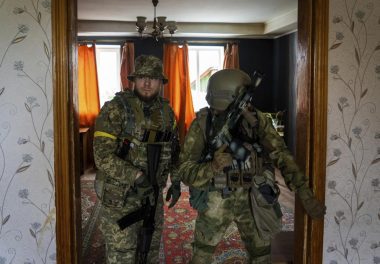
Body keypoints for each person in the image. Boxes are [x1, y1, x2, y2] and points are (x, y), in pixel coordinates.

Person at [178, 69, 326, 264]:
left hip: (253, 197)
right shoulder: (202, 124)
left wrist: (304, 192)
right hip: (216, 197)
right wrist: (212, 167)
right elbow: (185, 171)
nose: (217, 111)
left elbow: (280, 153)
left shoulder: (257, 121)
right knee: (201, 255)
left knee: (261, 255)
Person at [93, 55, 181, 264]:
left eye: (153, 78)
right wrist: (137, 177)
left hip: (153, 195)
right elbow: (102, 156)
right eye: (142, 77)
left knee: (148, 250)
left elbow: (175, 151)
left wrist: (176, 180)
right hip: (121, 198)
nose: (147, 83)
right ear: (134, 80)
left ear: (161, 82)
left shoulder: (167, 113)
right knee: (122, 254)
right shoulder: (115, 109)